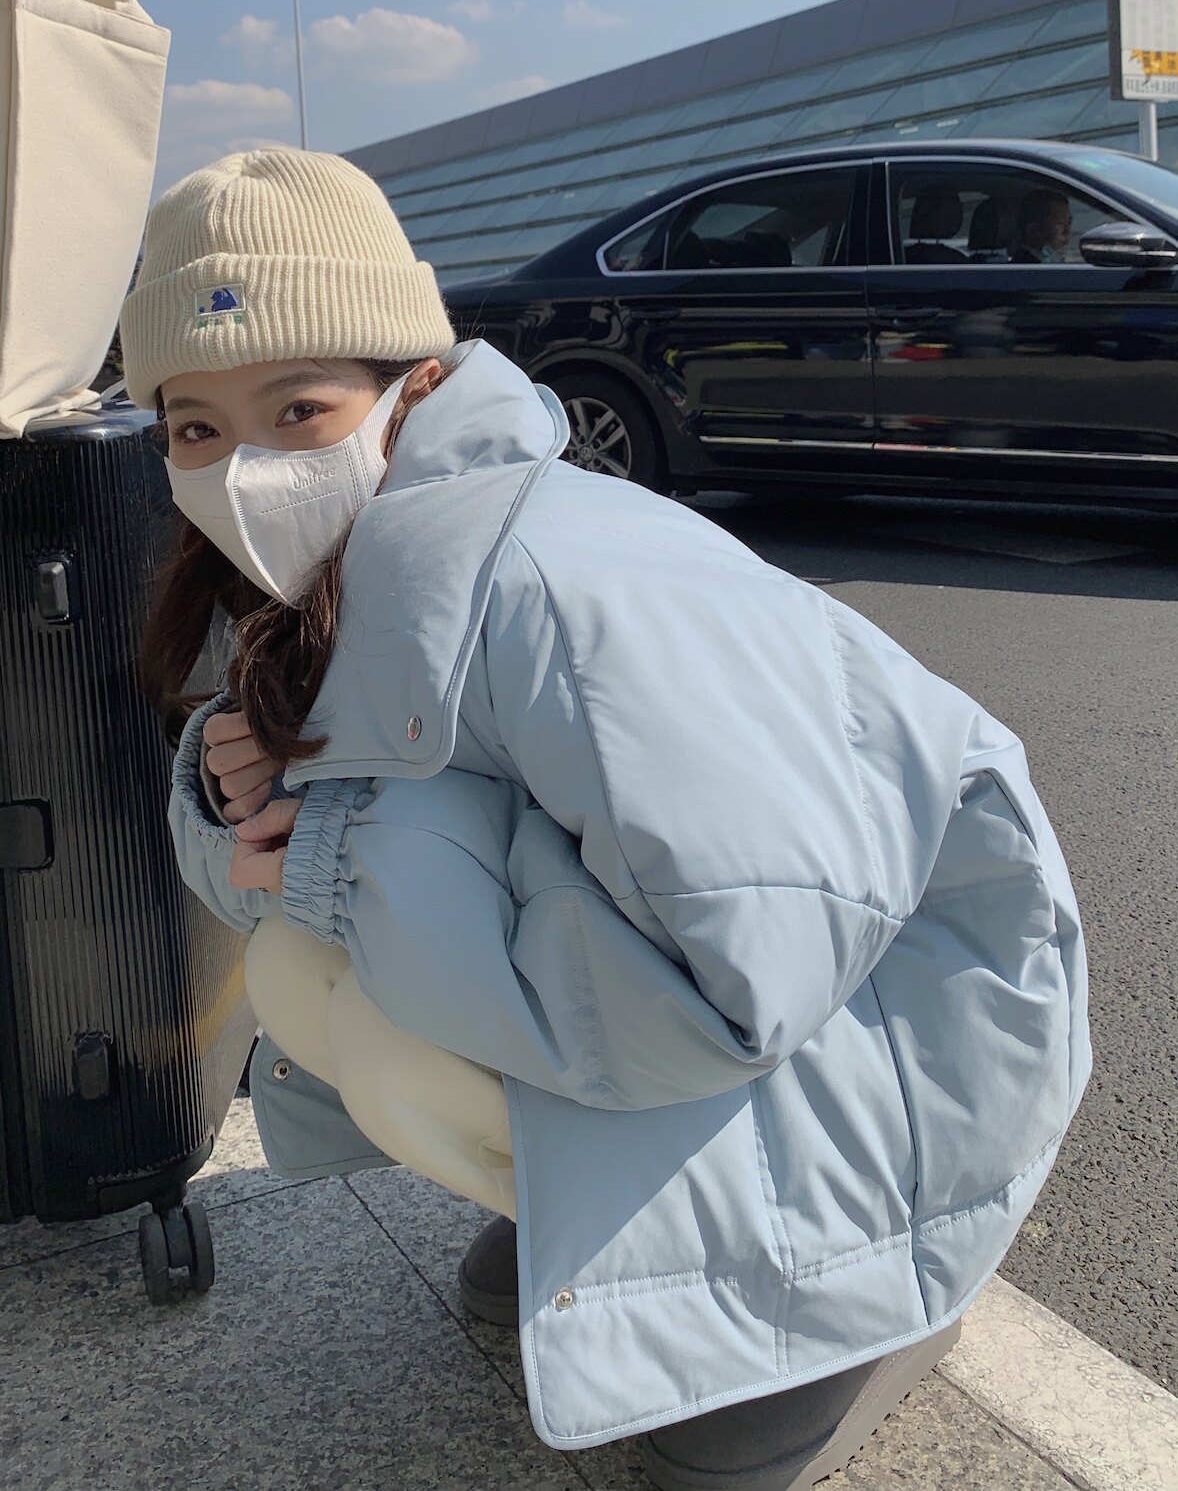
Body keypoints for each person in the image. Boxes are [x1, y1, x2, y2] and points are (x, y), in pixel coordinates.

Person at [123, 148, 1089, 1487]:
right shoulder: (344, 566)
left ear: (415, 386)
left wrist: (334, 851)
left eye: (297, 406)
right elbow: (293, 864)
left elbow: (730, 983)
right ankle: (617, 1200)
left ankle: (849, 1288)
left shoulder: (550, 579)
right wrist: (234, 806)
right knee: (303, 973)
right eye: (196, 429)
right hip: (741, 986)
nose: (244, 470)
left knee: (387, 1039)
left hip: (900, 1029)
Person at [1010, 189, 1074, 264]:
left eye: (1069, 222)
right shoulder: (1028, 266)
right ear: (1033, 230)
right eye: (1059, 222)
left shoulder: (1051, 262)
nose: (1067, 231)